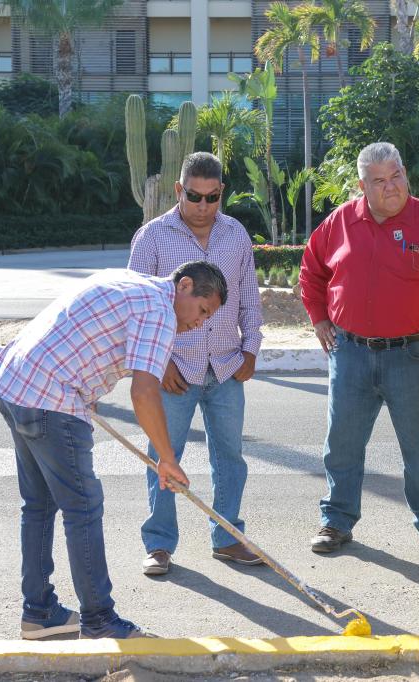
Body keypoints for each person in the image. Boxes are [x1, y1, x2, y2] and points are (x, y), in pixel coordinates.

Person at [0, 262, 227, 638]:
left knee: (39, 506)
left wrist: (87, 389)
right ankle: (98, 621)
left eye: (208, 318)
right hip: (50, 397)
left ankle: (39, 612)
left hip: (16, 381)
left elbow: (83, 337)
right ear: (185, 285)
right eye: (203, 310)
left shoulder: (130, 282)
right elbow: (144, 392)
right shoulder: (160, 312)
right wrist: (167, 458)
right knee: (82, 508)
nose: (200, 323)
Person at [299, 142, 419, 559]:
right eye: (379, 180)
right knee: (342, 444)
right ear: (362, 186)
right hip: (350, 352)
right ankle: (336, 521)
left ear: (405, 174)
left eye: (396, 175)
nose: (391, 187)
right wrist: (319, 318)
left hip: (414, 355)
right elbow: (311, 272)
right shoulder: (340, 222)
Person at [128, 152, 265, 576]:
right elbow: (136, 304)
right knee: (163, 456)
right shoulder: (152, 237)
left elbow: (248, 295)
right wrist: (159, 361)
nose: (203, 206)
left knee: (230, 458)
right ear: (178, 190)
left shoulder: (236, 235)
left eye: (212, 197)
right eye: (194, 196)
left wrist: (251, 348)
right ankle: (159, 544)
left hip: (226, 366)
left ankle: (227, 538)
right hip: (175, 370)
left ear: (221, 192)